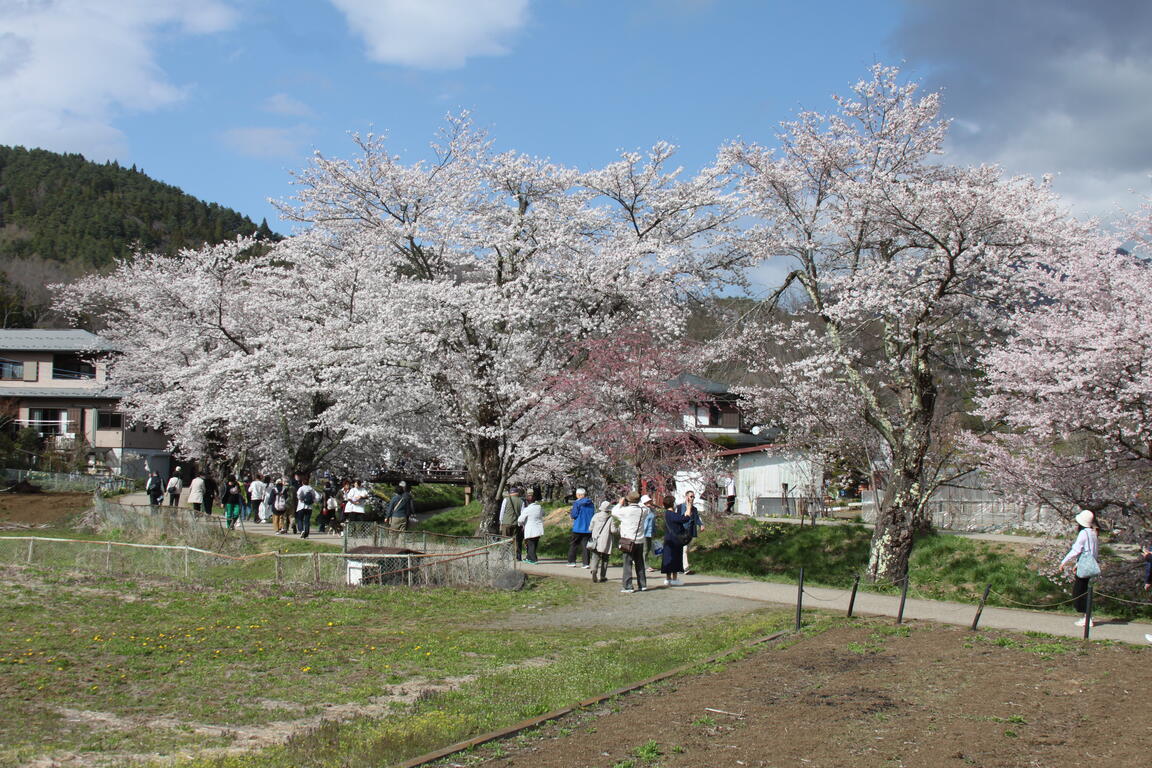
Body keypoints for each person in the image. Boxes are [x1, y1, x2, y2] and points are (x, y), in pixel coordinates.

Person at [1059, 509, 1100, 627]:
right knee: (1085, 591)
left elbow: (1077, 550)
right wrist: (1078, 564)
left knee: (1078, 592)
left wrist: (1064, 562)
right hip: (1090, 565)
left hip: (1085, 566)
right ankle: (1087, 617)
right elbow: (1092, 552)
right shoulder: (1093, 533)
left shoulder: (1083, 533)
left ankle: (1087, 617)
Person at [612, 491, 648, 593]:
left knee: (627, 563)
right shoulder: (643, 511)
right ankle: (642, 584)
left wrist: (620, 503)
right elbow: (645, 507)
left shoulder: (625, 511)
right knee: (639, 563)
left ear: (628, 500)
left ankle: (628, 586)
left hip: (627, 540)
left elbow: (614, 512)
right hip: (639, 540)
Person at [661, 494, 691, 586]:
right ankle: (674, 579)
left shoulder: (667, 514)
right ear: (672, 504)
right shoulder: (671, 514)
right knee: (675, 558)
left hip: (668, 539)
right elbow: (685, 519)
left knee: (668, 558)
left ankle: (668, 578)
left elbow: (680, 518)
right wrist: (689, 506)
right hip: (675, 540)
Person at [588, 500, 616, 583]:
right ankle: (603, 576)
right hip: (605, 540)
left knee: (595, 556)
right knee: (605, 558)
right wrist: (619, 529)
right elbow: (613, 530)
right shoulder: (611, 518)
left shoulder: (596, 516)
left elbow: (590, 528)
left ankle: (594, 570)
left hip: (595, 539)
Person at [676, 490, 703, 574]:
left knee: (686, 549)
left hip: (690, 531)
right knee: (684, 549)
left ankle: (679, 567)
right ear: (686, 497)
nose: (692, 498)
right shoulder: (680, 507)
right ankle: (685, 568)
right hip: (682, 530)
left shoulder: (694, 509)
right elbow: (677, 518)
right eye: (691, 496)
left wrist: (701, 525)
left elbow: (697, 518)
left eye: (693, 497)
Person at [567, 488, 595, 568]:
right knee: (585, 546)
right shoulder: (591, 503)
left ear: (579, 495)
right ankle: (586, 563)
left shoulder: (577, 503)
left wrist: (571, 514)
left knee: (574, 544)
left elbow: (574, 515)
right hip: (588, 528)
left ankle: (572, 561)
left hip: (578, 527)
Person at [518, 490, 545, 564]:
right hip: (538, 528)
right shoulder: (539, 507)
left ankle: (533, 559)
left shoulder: (527, 509)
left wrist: (521, 524)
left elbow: (520, 519)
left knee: (530, 544)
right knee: (535, 543)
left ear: (527, 502)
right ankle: (528, 558)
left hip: (530, 528)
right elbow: (543, 513)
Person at [499, 487, 526, 561]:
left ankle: (504, 555)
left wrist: (501, 522)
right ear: (517, 493)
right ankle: (517, 556)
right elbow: (522, 514)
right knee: (516, 540)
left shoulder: (506, 500)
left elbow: (502, 511)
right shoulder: (521, 501)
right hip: (516, 523)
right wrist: (522, 524)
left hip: (506, 523)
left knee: (505, 539)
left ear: (510, 493)